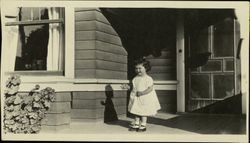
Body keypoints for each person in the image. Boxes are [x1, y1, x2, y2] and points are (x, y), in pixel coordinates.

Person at [121, 58, 161, 132]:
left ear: (146, 68)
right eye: (136, 68)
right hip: (136, 98)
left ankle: (143, 125)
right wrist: (127, 87)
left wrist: (142, 93)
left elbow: (150, 89)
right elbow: (133, 87)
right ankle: (136, 123)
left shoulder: (148, 78)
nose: (138, 70)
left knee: (143, 112)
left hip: (144, 98)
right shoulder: (135, 78)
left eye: (140, 68)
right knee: (136, 111)